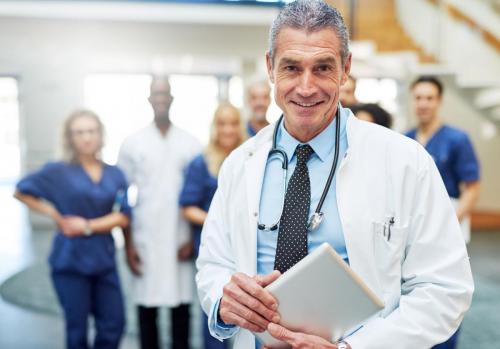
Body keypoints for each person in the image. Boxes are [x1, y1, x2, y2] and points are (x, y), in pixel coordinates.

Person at [196, 1, 474, 349]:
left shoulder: (406, 162)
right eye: (292, 68)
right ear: (270, 67)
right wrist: (224, 301)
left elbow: (445, 287)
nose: (307, 87)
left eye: (323, 67)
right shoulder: (240, 164)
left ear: (346, 69)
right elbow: (213, 263)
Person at [14, 110, 131, 349]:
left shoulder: (115, 174)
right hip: (70, 261)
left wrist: (86, 226)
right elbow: (21, 191)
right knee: (76, 331)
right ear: (70, 138)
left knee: (114, 324)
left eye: (91, 131)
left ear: (100, 135)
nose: (86, 137)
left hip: (104, 259)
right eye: (79, 132)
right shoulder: (57, 171)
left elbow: (124, 217)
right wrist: (54, 214)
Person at [117, 76, 201, 349]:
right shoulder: (133, 143)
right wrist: (128, 243)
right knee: (146, 310)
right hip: (146, 238)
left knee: (181, 309)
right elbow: (121, 197)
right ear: (149, 99)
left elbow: (197, 197)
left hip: (180, 238)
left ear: (172, 99)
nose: (161, 98)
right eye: (156, 93)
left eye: (165, 93)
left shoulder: (191, 144)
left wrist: (192, 239)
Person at [406, 76, 480, 349]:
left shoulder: (457, 140)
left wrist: (449, 221)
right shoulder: (405, 139)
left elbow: (472, 187)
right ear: (412, 101)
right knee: (414, 293)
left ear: (439, 101)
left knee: (446, 294)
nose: (423, 104)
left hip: (449, 227)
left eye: (429, 98)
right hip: (414, 230)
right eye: (418, 98)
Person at [179, 103, 245, 349]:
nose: (227, 129)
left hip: (245, 248)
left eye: (233, 123)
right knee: (216, 309)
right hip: (214, 247)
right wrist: (220, 223)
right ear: (214, 127)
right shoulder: (201, 162)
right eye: (222, 123)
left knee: (249, 317)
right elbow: (187, 206)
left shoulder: (251, 156)